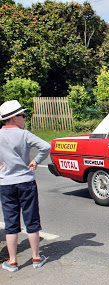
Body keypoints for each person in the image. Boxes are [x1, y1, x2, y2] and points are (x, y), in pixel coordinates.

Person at [0, 100, 51, 272]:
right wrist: (36, 161)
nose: (24, 118)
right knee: (31, 219)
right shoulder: (24, 134)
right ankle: (36, 257)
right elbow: (46, 146)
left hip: (6, 183)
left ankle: (12, 261)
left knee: (11, 222)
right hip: (25, 181)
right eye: (22, 115)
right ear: (14, 118)